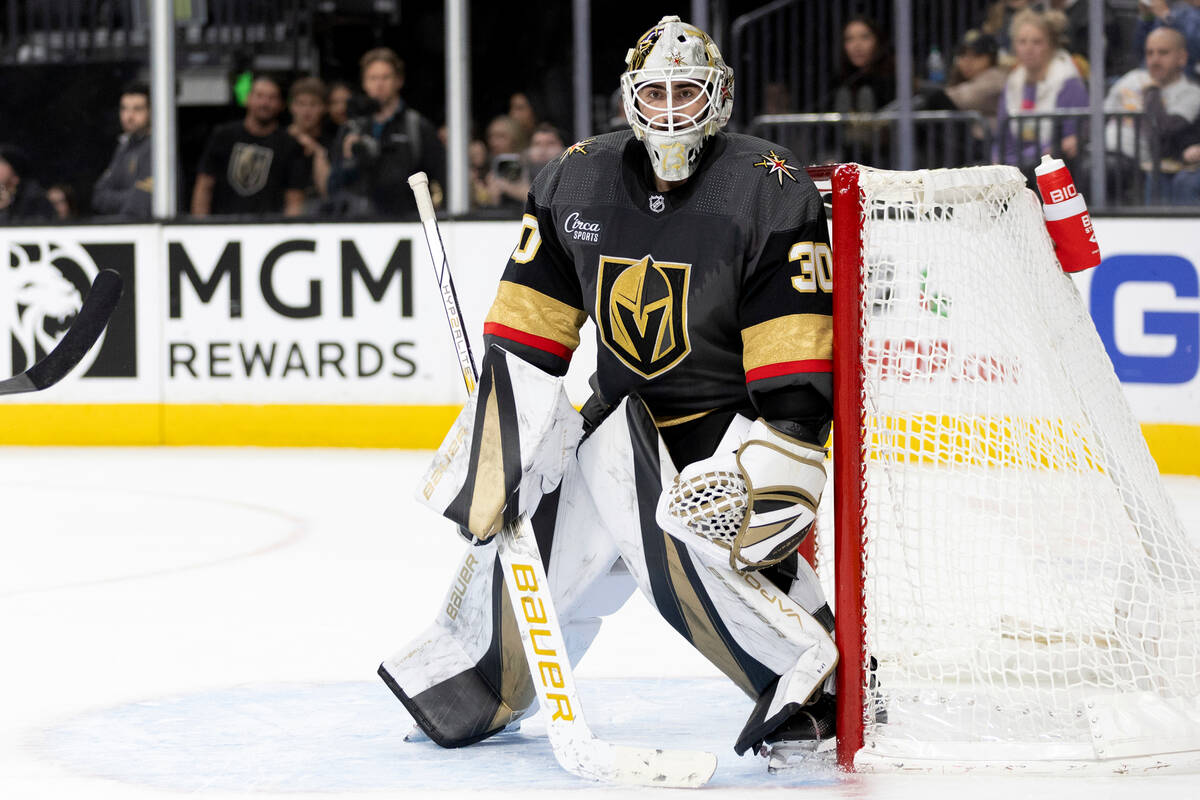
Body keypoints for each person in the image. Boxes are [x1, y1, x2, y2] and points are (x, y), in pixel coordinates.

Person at [379, 15, 838, 774]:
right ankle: (471, 683)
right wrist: (501, 459)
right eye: (652, 91)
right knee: (537, 546)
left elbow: (792, 359)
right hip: (619, 411)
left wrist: (779, 463)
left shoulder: (768, 186)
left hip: (720, 430)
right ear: (629, 97)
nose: (668, 108)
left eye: (685, 90)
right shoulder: (576, 177)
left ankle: (814, 688)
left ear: (717, 97)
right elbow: (526, 343)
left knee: (710, 551)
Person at [326, 47, 444, 218]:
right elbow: (332, 187)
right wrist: (347, 160)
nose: (379, 84)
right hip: (356, 224)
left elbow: (442, 179)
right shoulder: (350, 128)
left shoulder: (417, 126)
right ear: (364, 83)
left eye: (385, 77)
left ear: (399, 81)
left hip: (406, 223)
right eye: (372, 78)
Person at [191, 74, 308, 217]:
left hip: (270, 229)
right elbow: (204, 185)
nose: (265, 103)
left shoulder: (290, 145)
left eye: (272, 98)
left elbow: (294, 199)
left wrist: (289, 229)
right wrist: (200, 225)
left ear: (281, 105)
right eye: (259, 96)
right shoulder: (224, 135)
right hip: (223, 227)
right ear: (248, 99)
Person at [1105, 27, 1200, 202]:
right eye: (1149, 53)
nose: (1154, 60)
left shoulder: (1191, 92)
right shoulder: (1131, 78)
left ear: (1182, 58)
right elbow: (1100, 116)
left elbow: (1163, 128)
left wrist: (1152, 92)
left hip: (1141, 159)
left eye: (1163, 53)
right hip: (1101, 150)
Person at [994, 8, 1088, 174]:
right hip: (1014, 163)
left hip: (1052, 166)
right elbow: (1002, 136)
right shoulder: (1012, 83)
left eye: (1037, 42)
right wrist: (996, 160)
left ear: (1051, 45)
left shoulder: (1068, 81)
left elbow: (1070, 138)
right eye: (1022, 42)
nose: (1028, 49)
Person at [92, 81, 154, 219]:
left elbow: (142, 202)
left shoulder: (158, 148)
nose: (129, 116)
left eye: (137, 109)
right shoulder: (124, 147)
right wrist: (131, 196)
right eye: (124, 109)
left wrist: (125, 198)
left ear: (151, 111)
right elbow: (99, 196)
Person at [287, 76, 334, 213]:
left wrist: (317, 151)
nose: (307, 111)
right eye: (301, 104)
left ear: (324, 108)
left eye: (313, 104)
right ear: (292, 107)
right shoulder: (278, 139)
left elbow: (328, 191)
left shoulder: (331, 143)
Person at [1133, 0, 1200, 75]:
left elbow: (1195, 47)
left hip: (1180, 76)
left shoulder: (1190, 15)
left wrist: (1166, 15)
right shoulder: (1171, 7)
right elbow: (1140, 50)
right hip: (1146, 72)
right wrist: (1146, 16)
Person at [0, 145, 55, 222]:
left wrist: (7, 208)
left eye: (1, 163)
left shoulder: (33, 196)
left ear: (13, 167)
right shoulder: (4, 193)